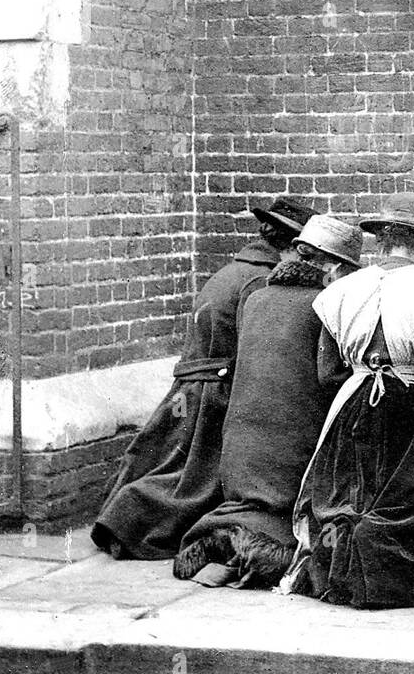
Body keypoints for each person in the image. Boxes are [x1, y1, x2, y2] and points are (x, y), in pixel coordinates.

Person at [91, 195, 317, 561]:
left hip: (190, 386)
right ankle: (126, 525)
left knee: (173, 468)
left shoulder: (231, 270)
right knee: (194, 483)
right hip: (216, 390)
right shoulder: (260, 281)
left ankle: (121, 518)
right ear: (290, 245)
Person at [281, 193, 414, 609]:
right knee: (410, 493)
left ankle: (337, 577)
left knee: (346, 492)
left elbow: (327, 373)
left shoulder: (341, 291)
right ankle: (389, 580)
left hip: (353, 401)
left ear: (382, 240)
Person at [173, 215, 363, 588]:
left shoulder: (256, 297)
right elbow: (329, 380)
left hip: (240, 446)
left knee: (251, 498)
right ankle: (255, 555)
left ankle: (225, 545)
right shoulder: (326, 306)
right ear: (335, 268)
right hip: (289, 450)